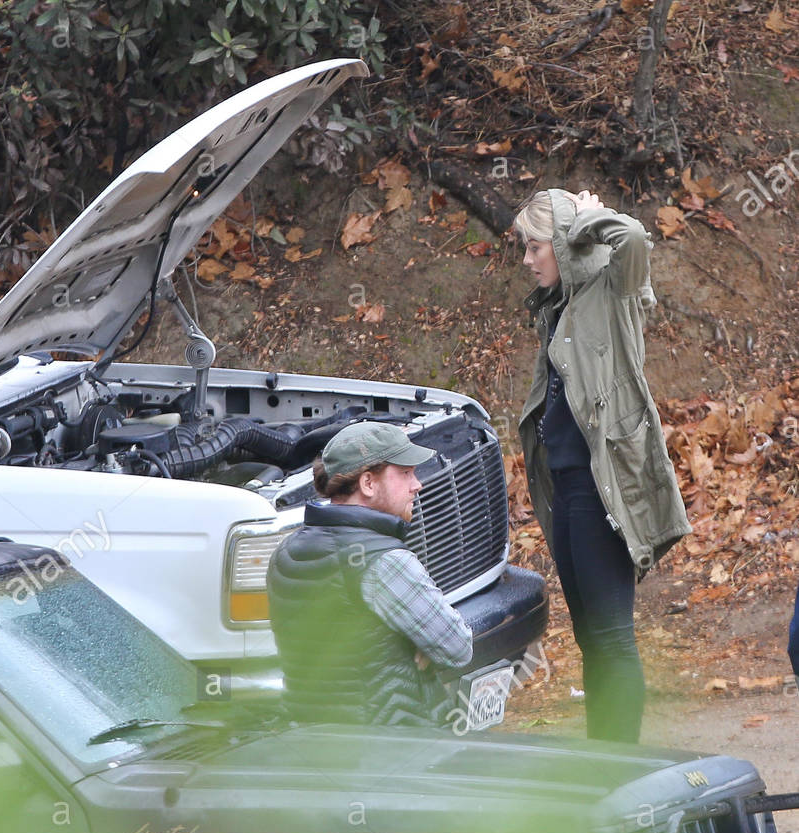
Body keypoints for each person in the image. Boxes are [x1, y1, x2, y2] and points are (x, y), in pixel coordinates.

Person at [514, 188, 690, 744]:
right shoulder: (559, 303)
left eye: (535, 246)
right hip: (567, 485)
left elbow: (633, 237)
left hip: (604, 484)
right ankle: (603, 759)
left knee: (612, 637)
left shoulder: (615, 289)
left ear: (563, 244)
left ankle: (622, 767)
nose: (526, 259)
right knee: (591, 637)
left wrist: (590, 219)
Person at [266, 421, 473, 728]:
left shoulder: (286, 552)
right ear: (368, 484)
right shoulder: (383, 561)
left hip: (314, 744)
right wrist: (420, 640)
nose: (418, 484)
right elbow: (457, 647)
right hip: (391, 745)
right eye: (405, 473)